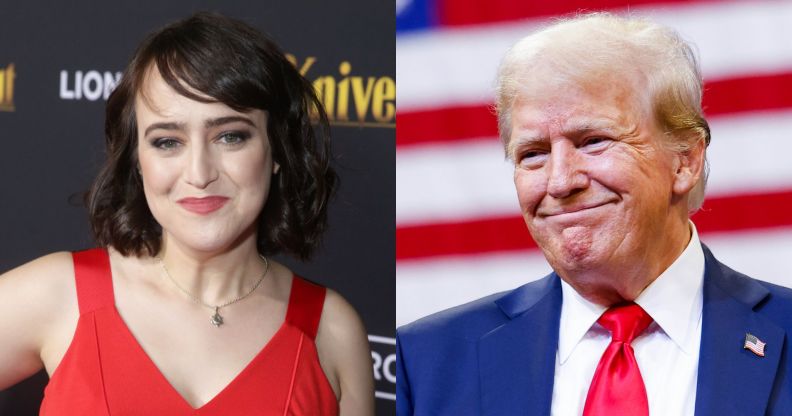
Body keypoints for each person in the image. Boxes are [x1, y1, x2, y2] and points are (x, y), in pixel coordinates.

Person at [396, 12, 792, 416]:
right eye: (533, 154)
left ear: (684, 162)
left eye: (593, 141)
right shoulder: (425, 363)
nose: (560, 182)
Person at [0, 12, 374, 415]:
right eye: (166, 142)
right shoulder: (60, 296)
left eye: (231, 136)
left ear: (277, 150)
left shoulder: (331, 332)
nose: (199, 174)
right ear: (138, 159)